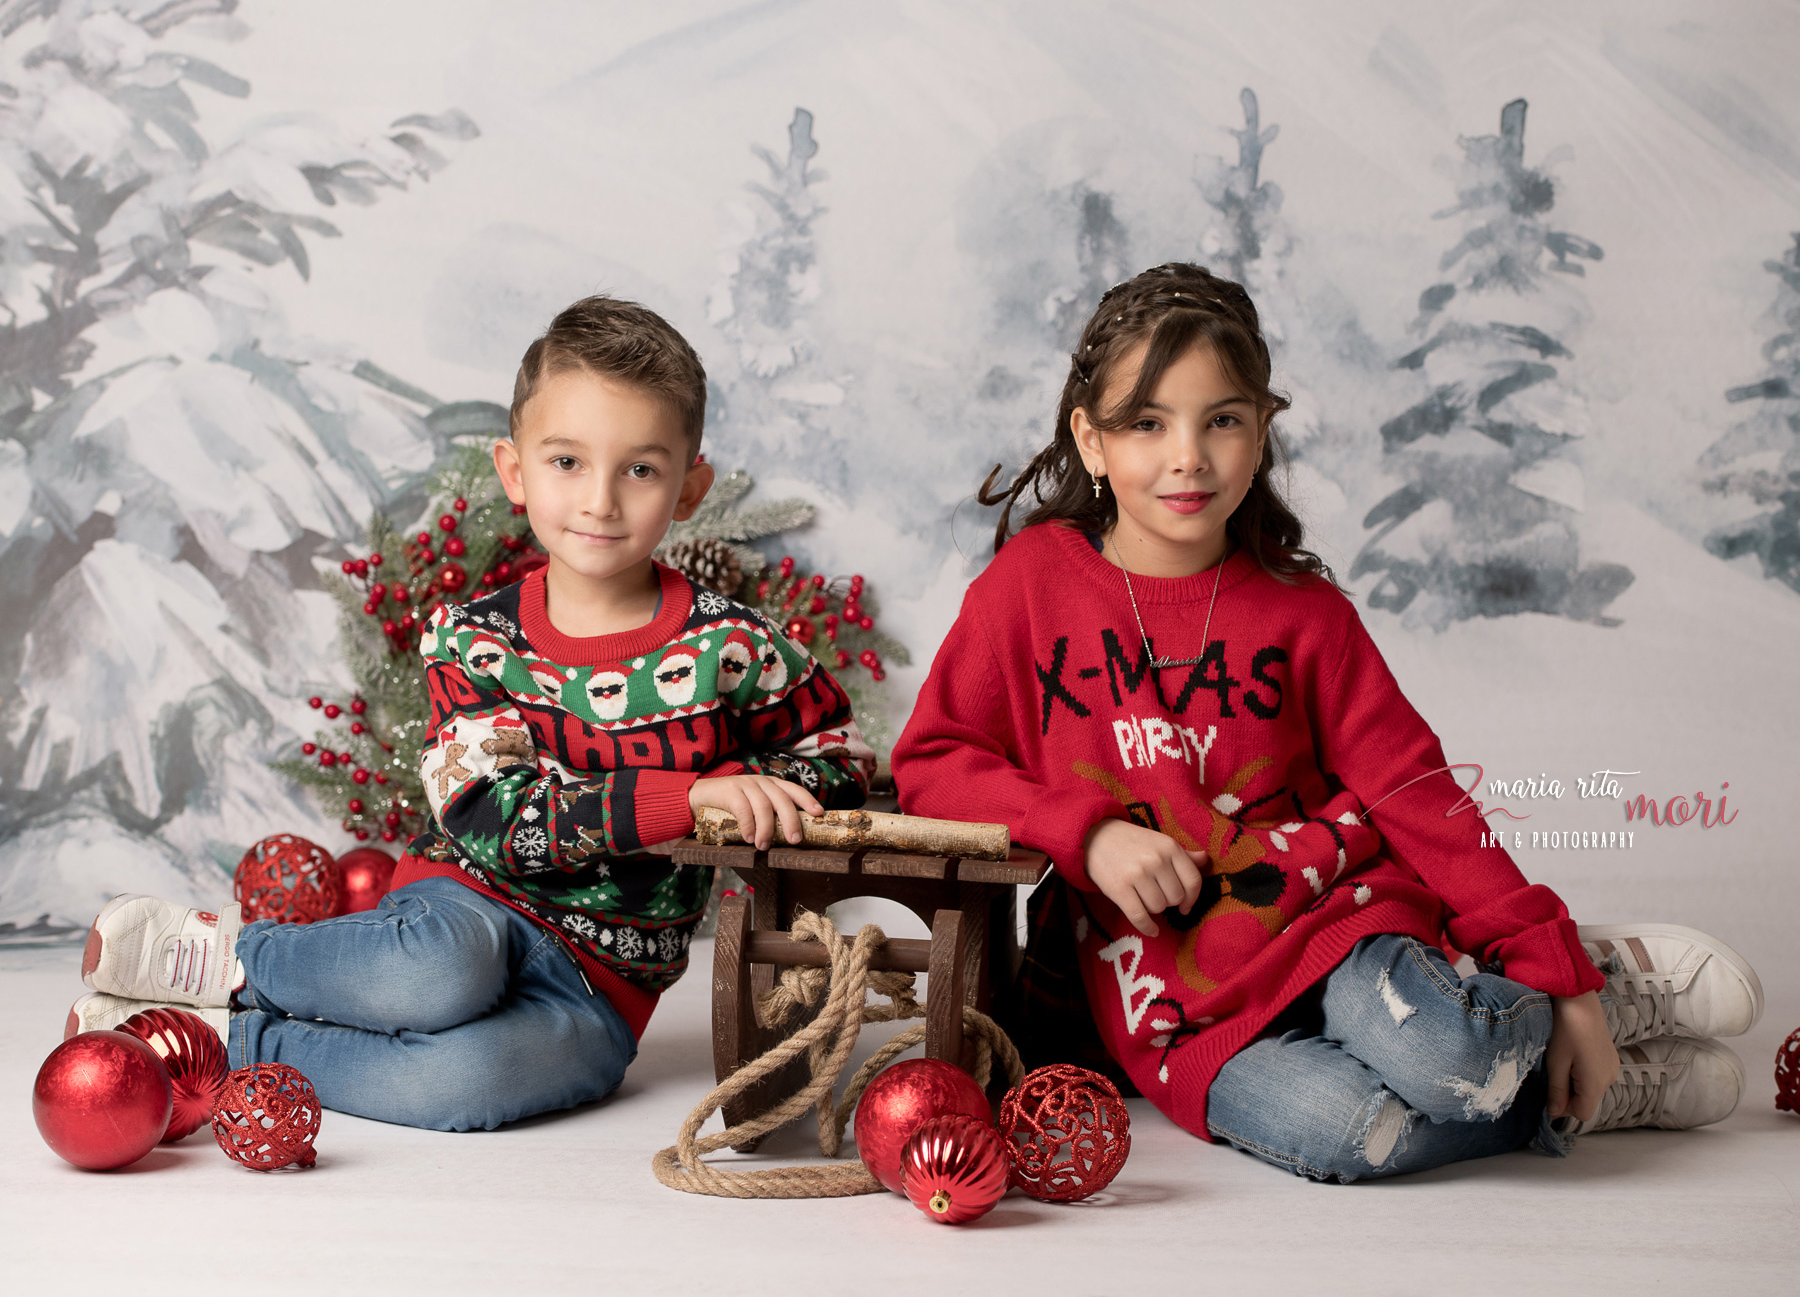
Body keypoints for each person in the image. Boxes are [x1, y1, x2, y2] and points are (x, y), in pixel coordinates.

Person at [890, 262, 1762, 1181]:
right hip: (1177, 1007)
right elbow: (933, 761)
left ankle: (1593, 995)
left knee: (1451, 1061)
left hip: (1334, 927)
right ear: (1092, 441)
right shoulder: (1031, 590)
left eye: (1221, 419)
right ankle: (1567, 1092)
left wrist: (1553, 965)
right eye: (1148, 424)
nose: (1188, 455)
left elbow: (1418, 794)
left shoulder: (1306, 616)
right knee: (1349, 1133)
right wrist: (1089, 833)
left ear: (1261, 433)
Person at [71, 295, 876, 1131]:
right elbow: (492, 815)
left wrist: (761, 783)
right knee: (438, 977)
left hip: (604, 984)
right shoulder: (474, 642)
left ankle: (225, 1040)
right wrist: (690, 794)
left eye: (639, 469)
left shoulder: (730, 647)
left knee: (465, 1085)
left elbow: (842, 754)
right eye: (567, 462)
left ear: (689, 488)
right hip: (470, 905)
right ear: (514, 471)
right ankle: (226, 960)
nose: (600, 500)